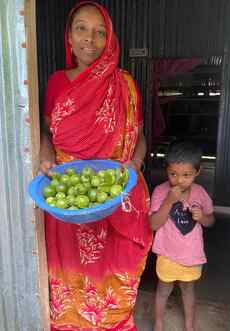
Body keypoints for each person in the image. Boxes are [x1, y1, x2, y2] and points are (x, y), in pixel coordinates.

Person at [39, 2, 152, 330]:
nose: (91, 38)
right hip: (69, 202)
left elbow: (140, 135)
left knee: (119, 277)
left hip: (118, 195)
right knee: (71, 280)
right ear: (69, 38)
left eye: (100, 32)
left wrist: (136, 163)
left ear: (110, 39)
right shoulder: (57, 82)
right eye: (82, 29)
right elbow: (47, 132)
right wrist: (46, 156)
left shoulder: (125, 84)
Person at [149, 140, 215, 331]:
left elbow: (211, 221)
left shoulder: (200, 193)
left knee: (188, 290)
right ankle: (159, 323)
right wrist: (169, 201)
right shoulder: (161, 192)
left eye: (186, 175)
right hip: (166, 253)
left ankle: (189, 325)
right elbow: (153, 224)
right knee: (163, 290)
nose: (179, 180)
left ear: (197, 172)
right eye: (173, 174)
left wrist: (202, 217)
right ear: (166, 170)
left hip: (191, 255)